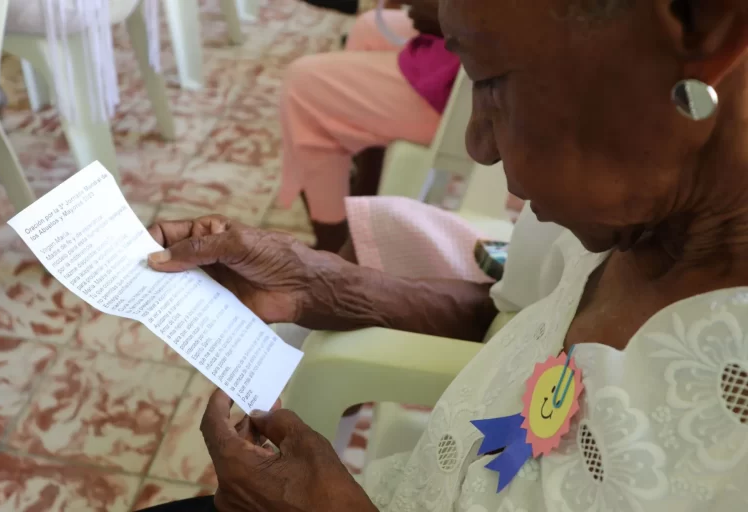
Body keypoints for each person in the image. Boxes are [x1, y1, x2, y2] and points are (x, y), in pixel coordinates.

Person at [140, 0, 748, 510]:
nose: (477, 144)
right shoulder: (629, 215)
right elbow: (517, 324)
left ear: (705, 34)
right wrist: (319, 285)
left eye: (489, 79)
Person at [276, 1, 460, 252]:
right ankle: (365, 196)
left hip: (474, 93)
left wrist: (448, 15)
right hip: (467, 46)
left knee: (303, 86)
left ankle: (334, 249)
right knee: (369, 28)